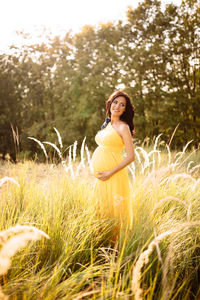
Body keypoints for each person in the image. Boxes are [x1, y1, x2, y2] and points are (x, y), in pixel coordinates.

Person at [91, 90, 135, 231]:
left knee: (115, 213)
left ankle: (116, 249)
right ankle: (102, 242)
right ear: (110, 103)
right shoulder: (107, 124)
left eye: (122, 105)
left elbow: (130, 156)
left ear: (125, 109)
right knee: (101, 210)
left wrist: (110, 172)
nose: (117, 106)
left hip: (113, 175)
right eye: (115, 102)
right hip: (101, 177)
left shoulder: (124, 127)